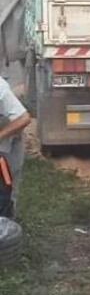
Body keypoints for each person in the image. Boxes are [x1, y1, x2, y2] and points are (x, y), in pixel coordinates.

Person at [0, 76, 31, 217]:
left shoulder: (1, 88)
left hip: (9, 144)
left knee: (7, 191)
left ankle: (6, 228)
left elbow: (24, 118)